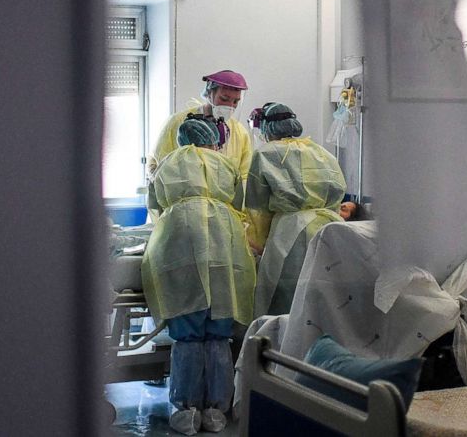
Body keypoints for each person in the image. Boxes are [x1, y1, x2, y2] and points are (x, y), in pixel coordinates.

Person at [141, 116, 256, 435]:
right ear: (213, 140)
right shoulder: (226, 165)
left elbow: (155, 204)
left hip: (178, 239)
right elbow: (239, 203)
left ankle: (185, 410)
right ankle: (216, 411)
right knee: (218, 329)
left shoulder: (166, 164)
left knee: (188, 327)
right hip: (223, 238)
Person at [246, 102, 346, 316]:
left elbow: (257, 207)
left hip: (291, 232)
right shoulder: (322, 153)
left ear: (265, 128)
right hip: (330, 229)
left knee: (288, 300)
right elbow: (338, 192)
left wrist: (257, 242)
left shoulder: (266, 154)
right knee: (323, 297)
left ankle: (286, 347)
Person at [147, 70, 252, 183]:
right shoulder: (178, 122)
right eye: (224, 99)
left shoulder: (240, 133)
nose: (230, 106)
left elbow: (244, 177)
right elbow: (158, 165)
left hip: (225, 201)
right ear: (209, 93)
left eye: (235, 101)